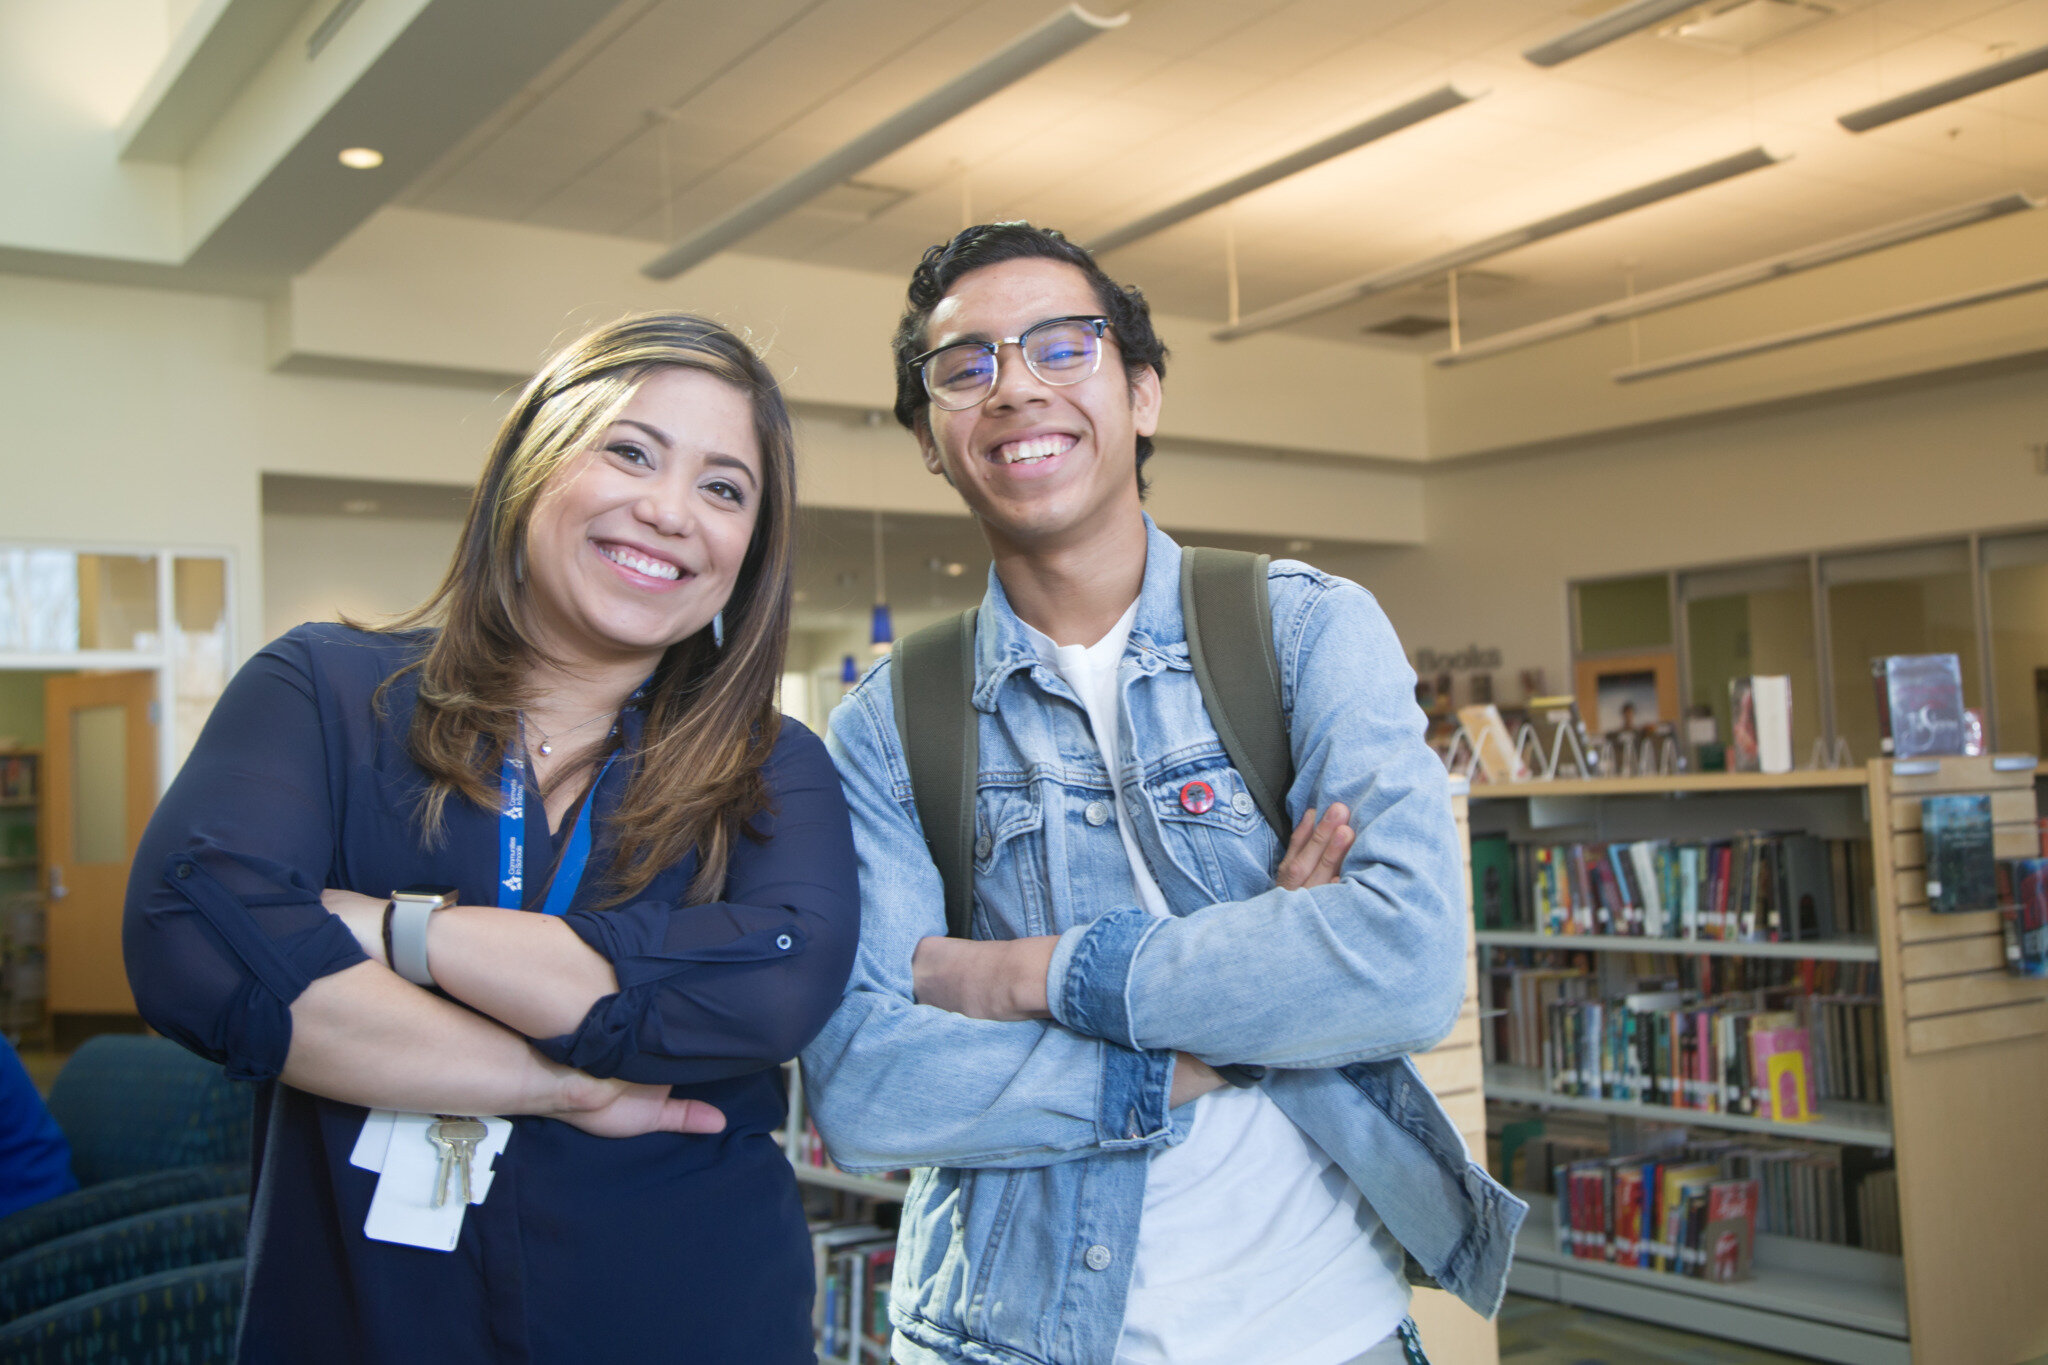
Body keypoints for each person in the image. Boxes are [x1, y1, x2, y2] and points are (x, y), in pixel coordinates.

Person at [801, 224, 1523, 1365]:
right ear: (931, 441)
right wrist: (1246, 1014)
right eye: (965, 366)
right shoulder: (890, 725)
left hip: (1329, 1333)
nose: (1014, 387)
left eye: (1061, 346)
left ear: (1141, 394)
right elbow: (870, 1088)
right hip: (1005, 1340)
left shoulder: (1303, 631)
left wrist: (1024, 975)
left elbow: (1404, 964)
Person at [123, 313, 859, 1363]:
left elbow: (776, 985)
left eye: (724, 488)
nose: (669, 510)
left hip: (688, 1310)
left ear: (750, 552)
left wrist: (392, 933)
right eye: (631, 451)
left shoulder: (769, 762)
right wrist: (561, 1083)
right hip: (370, 1318)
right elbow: (192, 948)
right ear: (533, 464)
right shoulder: (327, 692)